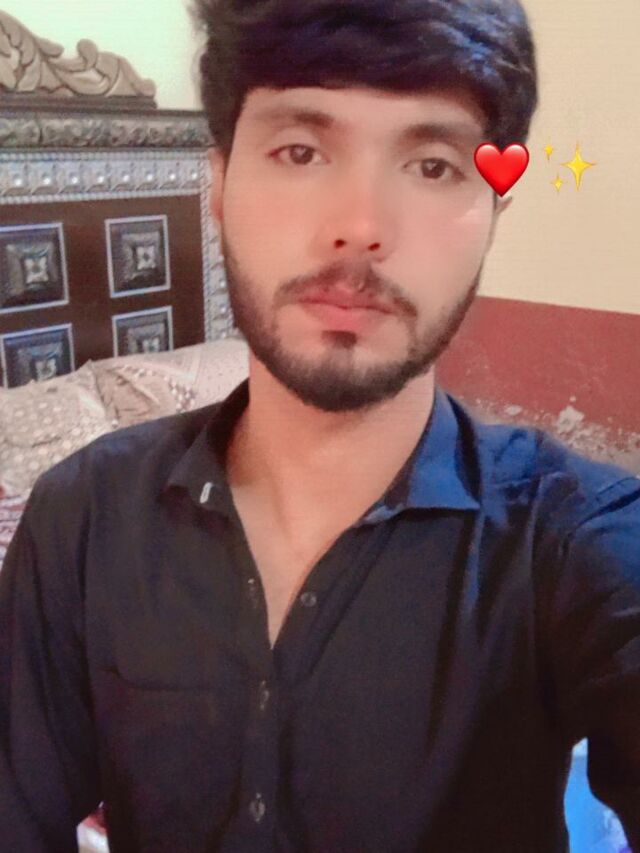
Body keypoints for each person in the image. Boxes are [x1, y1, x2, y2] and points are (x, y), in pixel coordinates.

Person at [1, 0, 639, 850]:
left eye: (434, 165)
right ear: (216, 186)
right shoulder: (82, 520)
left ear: (494, 210)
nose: (360, 227)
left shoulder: (577, 540)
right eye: (300, 151)